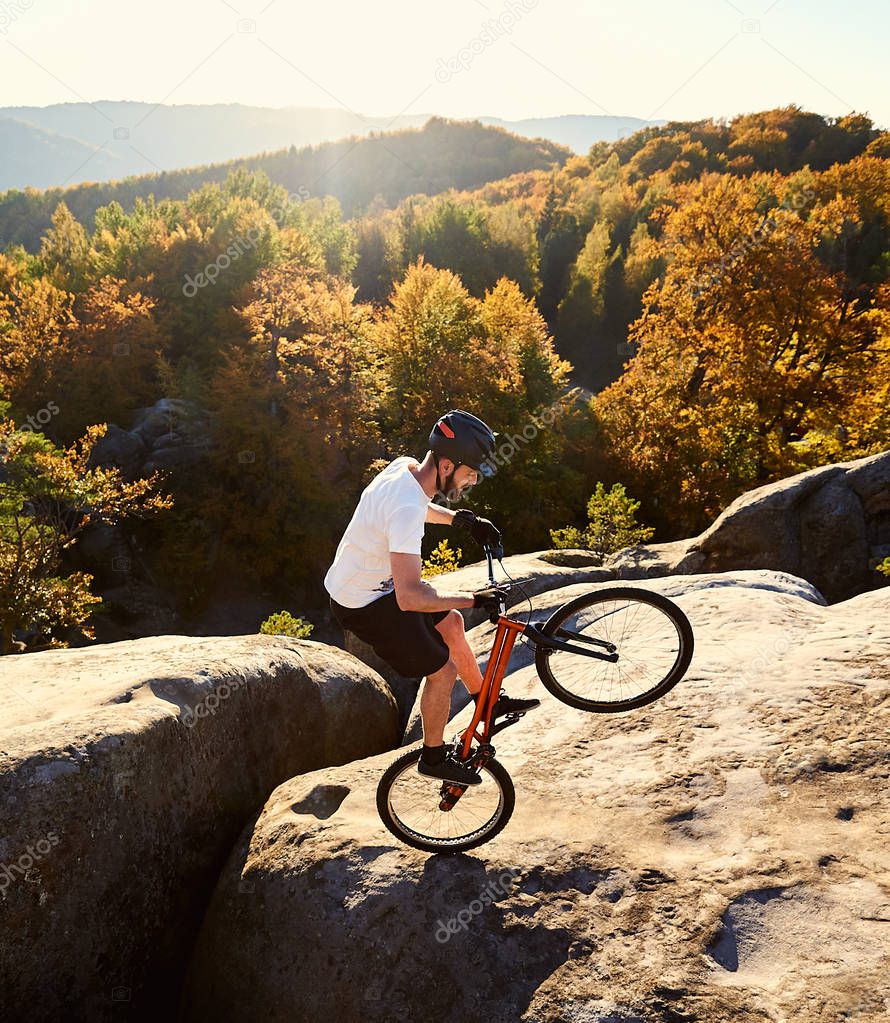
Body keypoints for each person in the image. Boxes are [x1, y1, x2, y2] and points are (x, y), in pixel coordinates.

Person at [325, 409, 539, 787]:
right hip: (363, 604)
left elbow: (419, 506)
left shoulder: (407, 469)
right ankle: (434, 756)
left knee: (452, 624)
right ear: (445, 464)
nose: (473, 480)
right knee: (442, 670)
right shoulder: (406, 509)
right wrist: (474, 599)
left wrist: (462, 521)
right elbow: (410, 597)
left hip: (371, 586)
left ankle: (488, 702)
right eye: (470, 472)